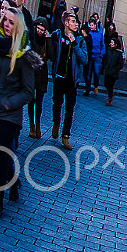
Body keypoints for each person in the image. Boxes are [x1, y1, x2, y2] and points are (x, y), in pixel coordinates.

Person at [0, 9, 35, 218]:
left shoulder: (24, 55)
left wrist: (9, 103)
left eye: (11, 22)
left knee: (3, 156)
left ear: (18, 26)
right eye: (5, 20)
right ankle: (13, 183)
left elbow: (28, 92)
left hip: (10, 115)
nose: (6, 24)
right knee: (0, 153)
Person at [48, 11, 88, 149]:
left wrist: (75, 44)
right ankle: (56, 124)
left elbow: (84, 59)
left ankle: (65, 137)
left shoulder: (80, 40)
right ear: (66, 23)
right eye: (73, 21)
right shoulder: (57, 35)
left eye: (76, 21)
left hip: (72, 80)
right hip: (59, 77)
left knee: (70, 109)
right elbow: (49, 48)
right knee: (57, 104)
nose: (76, 24)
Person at [27, 18, 51, 139]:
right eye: (38, 29)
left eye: (42, 30)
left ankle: (38, 126)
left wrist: (48, 38)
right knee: (31, 100)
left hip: (42, 74)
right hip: (32, 72)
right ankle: (31, 126)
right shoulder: (31, 38)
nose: (40, 31)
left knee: (39, 102)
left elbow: (52, 55)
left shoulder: (46, 40)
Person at [101, 33, 124, 106]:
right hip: (107, 71)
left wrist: (115, 70)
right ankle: (110, 94)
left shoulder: (119, 53)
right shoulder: (108, 50)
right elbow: (106, 59)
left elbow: (120, 64)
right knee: (106, 84)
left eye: (112, 43)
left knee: (110, 85)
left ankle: (109, 98)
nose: (110, 44)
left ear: (116, 44)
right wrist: (104, 66)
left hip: (113, 73)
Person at [84, 16, 104, 95]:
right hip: (90, 55)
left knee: (96, 72)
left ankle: (96, 86)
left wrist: (101, 54)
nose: (91, 27)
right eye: (90, 25)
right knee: (88, 73)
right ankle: (88, 87)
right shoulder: (88, 33)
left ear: (95, 25)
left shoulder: (100, 34)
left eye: (92, 25)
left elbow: (102, 45)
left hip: (97, 56)